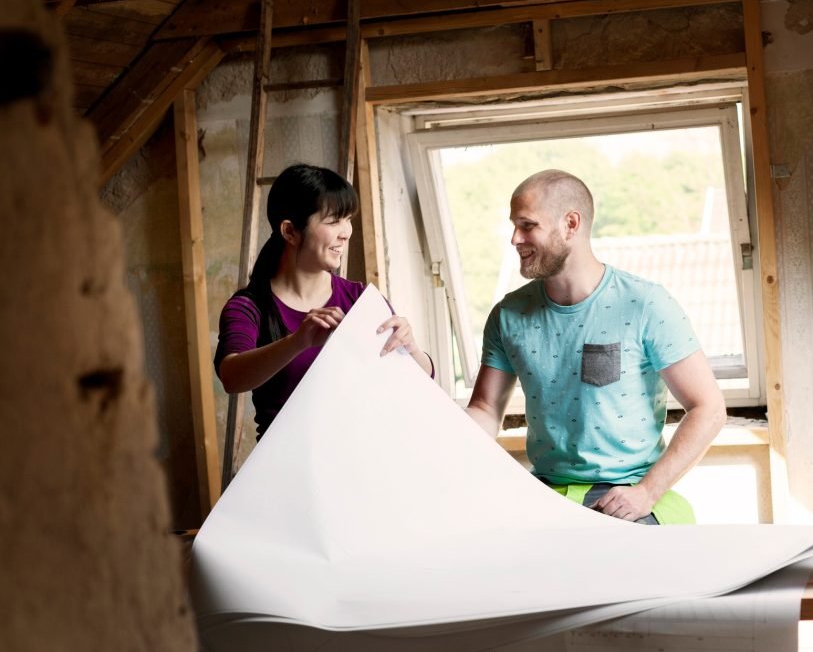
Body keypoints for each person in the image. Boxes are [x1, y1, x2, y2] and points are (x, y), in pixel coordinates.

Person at [466, 169, 725, 526]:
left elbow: (709, 408)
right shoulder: (508, 315)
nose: (515, 238)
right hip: (545, 492)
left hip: (631, 491)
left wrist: (647, 493)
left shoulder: (646, 304)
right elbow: (484, 409)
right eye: (514, 225)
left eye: (527, 225)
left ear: (570, 224)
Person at [215, 163, 434, 440]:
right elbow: (231, 377)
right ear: (290, 232)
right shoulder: (249, 306)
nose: (346, 232)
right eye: (333, 221)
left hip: (363, 462)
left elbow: (420, 380)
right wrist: (299, 341)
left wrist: (411, 347)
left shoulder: (358, 299)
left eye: (348, 219)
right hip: (287, 470)